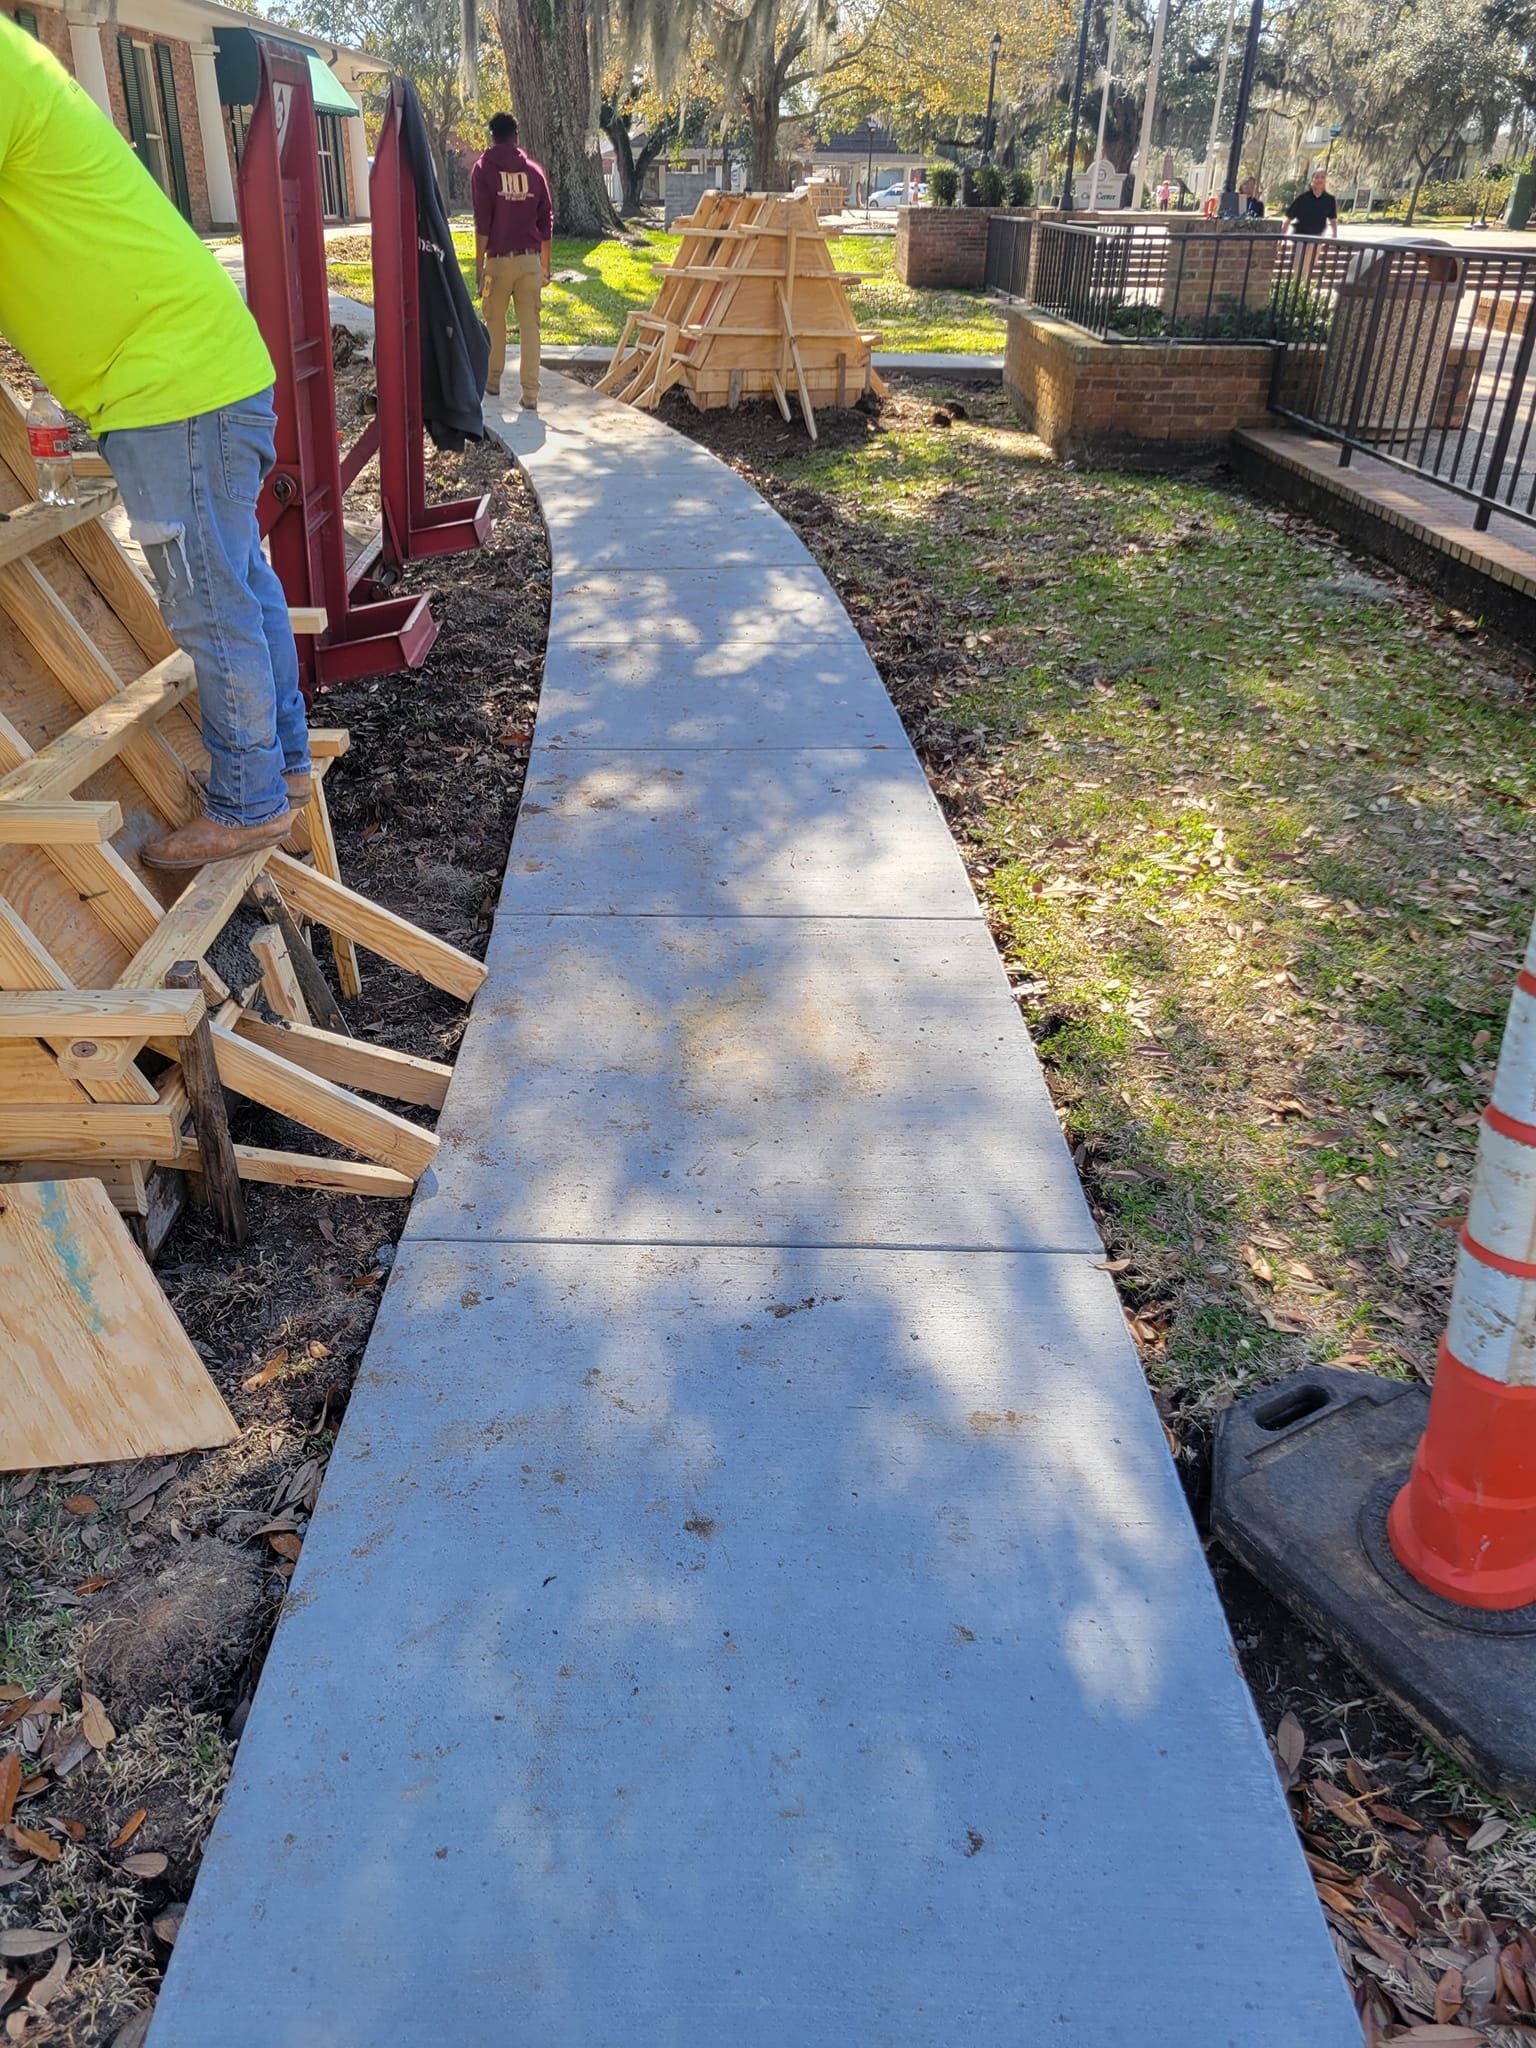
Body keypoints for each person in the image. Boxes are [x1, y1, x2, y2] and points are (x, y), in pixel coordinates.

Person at [0, 14, 308, 871]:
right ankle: (281, 770)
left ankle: (247, 803)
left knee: (211, 601)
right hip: (193, 373)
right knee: (239, 582)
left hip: (170, 384)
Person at [472, 113, 553, 413]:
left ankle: (492, 381)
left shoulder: (483, 170)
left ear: (492, 136)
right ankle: (530, 393)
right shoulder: (534, 172)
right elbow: (546, 222)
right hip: (530, 261)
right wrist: (545, 265)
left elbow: (482, 222)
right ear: (516, 136)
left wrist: (479, 265)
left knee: (495, 321)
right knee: (530, 325)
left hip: (497, 262)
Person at [1286, 167, 1339, 238]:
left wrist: (1334, 235)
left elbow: (1333, 219)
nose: (1320, 180)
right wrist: (1282, 238)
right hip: (1300, 236)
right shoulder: (1302, 198)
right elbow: (1288, 219)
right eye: (1317, 177)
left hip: (1318, 237)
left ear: (1326, 181)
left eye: (1323, 177)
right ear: (1312, 181)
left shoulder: (1330, 200)